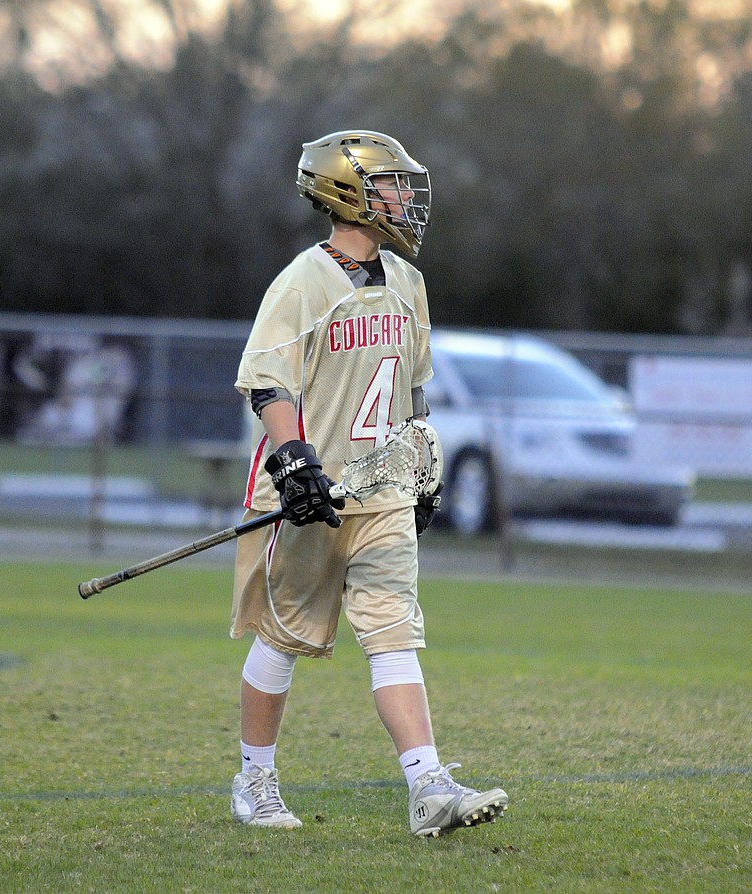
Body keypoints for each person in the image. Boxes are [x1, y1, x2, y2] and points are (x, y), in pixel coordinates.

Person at [229, 130, 508, 837]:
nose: (405, 200)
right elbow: (270, 384)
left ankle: (429, 787)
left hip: (380, 490)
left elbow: (412, 394)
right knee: (284, 636)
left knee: (393, 634)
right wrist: (294, 460)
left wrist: (422, 463)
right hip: (309, 494)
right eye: (391, 185)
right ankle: (254, 780)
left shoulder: (409, 284)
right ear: (346, 192)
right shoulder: (302, 282)